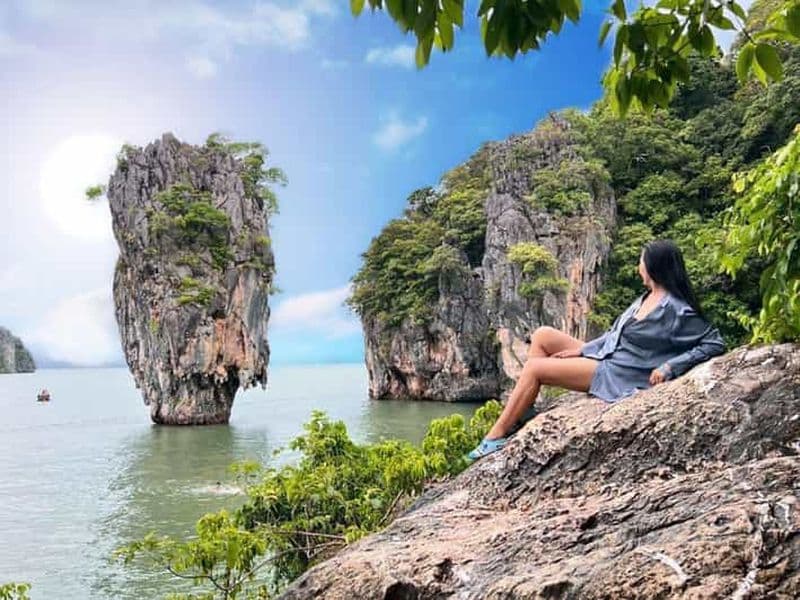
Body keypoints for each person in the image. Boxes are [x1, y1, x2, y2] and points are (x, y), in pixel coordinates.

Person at [467, 239, 726, 461]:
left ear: (653, 267)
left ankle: (496, 436)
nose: (639, 267)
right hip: (610, 353)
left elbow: (714, 343)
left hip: (619, 371)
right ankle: (524, 410)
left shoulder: (677, 310)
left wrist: (670, 366)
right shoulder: (645, 298)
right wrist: (582, 351)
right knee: (543, 335)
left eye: (641, 261)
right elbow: (614, 335)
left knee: (534, 368)